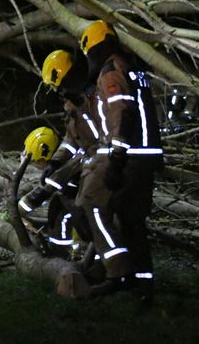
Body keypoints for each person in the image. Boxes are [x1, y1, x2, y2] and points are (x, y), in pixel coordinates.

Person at [75, 20, 162, 302]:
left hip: (131, 157)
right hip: (148, 156)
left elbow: (120, 113)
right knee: (131, 220)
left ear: (94, 48)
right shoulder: (135, 69)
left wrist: (116, 159)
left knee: (92, 202)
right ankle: (144, 285)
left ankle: (116, 271)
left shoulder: (110, 72)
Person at [17, 49, 98, 258]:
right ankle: (59, 255)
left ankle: (95, 262)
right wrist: (55, 162)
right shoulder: (75, 103)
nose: (56, 91)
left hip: (98, 171)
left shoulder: (90, 102)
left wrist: (28, 203)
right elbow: (71, 140)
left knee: (82, 214)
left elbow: (88, 151)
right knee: (59, 210)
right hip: (85, 170)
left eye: (55, 85)